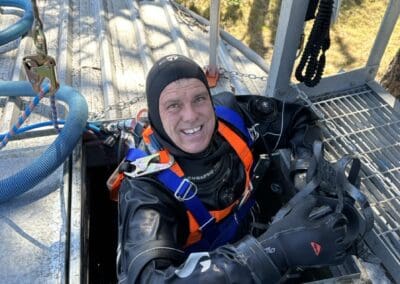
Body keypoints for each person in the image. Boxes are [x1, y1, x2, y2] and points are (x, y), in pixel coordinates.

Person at [116, 54, 356, 283]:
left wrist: (304, 175)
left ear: (210, 99)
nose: (190, 116)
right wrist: (275, 250)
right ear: (155, 116)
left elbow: (299, 119)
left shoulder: (232, 118)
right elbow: (148, 278)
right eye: (173, 106)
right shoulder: (145, 188)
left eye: (199, 98)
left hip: (252, 234)